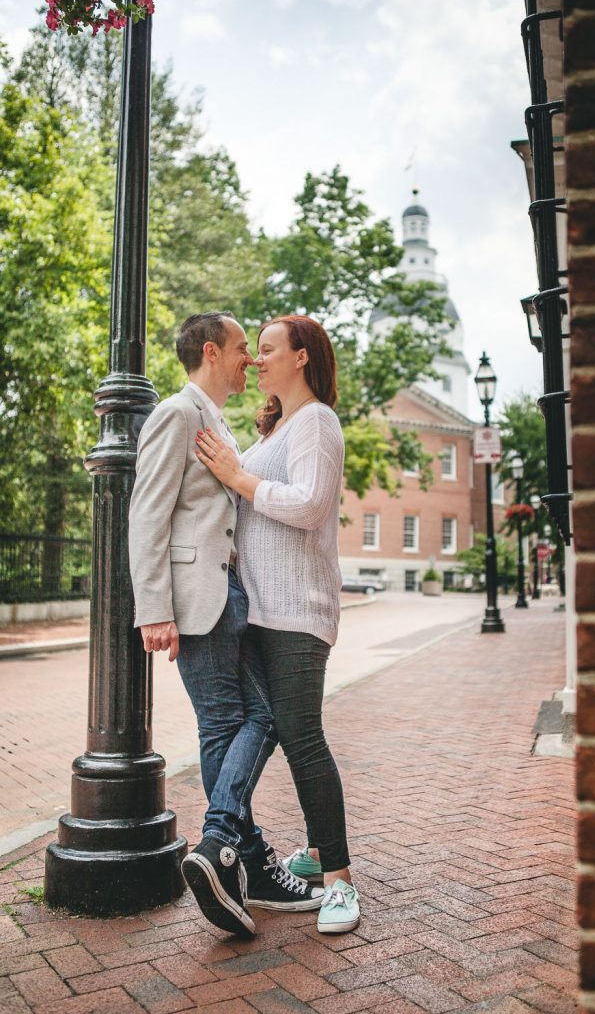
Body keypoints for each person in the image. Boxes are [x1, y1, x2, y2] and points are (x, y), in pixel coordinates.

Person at [128, 310, 323, 939]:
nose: (251, 361)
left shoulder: (218, 423)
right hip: (196, 598)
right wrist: (154, 607)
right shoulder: (177, 414)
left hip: (229, 595)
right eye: (244, 349)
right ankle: (228, 848)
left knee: (248, 720)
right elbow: (147, 515)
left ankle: (236, 855)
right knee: (237, 721)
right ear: (212, 352)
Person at [195, 314, 360, 934]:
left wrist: (238, 476)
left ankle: (340, 882)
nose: (258, 360)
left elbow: (312, 504)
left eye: (268, 350)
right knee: (279, 733)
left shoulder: (316, 421)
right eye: (255, 351)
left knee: (302, 735)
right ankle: (315, 858)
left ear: (302, 359)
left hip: (298, 611)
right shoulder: (275, 428)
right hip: (255, 612)